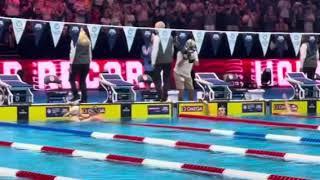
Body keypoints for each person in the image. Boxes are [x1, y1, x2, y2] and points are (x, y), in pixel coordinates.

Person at [151, 21, 174, 101]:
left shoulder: (157, 37)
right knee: (166, 79)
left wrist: (153, 62)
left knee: (156, 78)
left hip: (159, 60)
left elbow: (155, 50)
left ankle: (160, 95)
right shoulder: (170, 37)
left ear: (159, 28)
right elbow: (172, 50)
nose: (154, 28)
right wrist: (170, 58)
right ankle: (164, 97)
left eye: (155, 27)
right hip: (168, 61)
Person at [69, 27, 92, 103]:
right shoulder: (88, 41)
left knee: (71, 79)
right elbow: (90, 53)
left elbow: (72, 53)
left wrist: (70, 64)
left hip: (76, 63)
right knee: (82, 81)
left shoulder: (74, 40)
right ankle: (84, 99)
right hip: (86, 63)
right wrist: (89, 62)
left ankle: (76, 96)